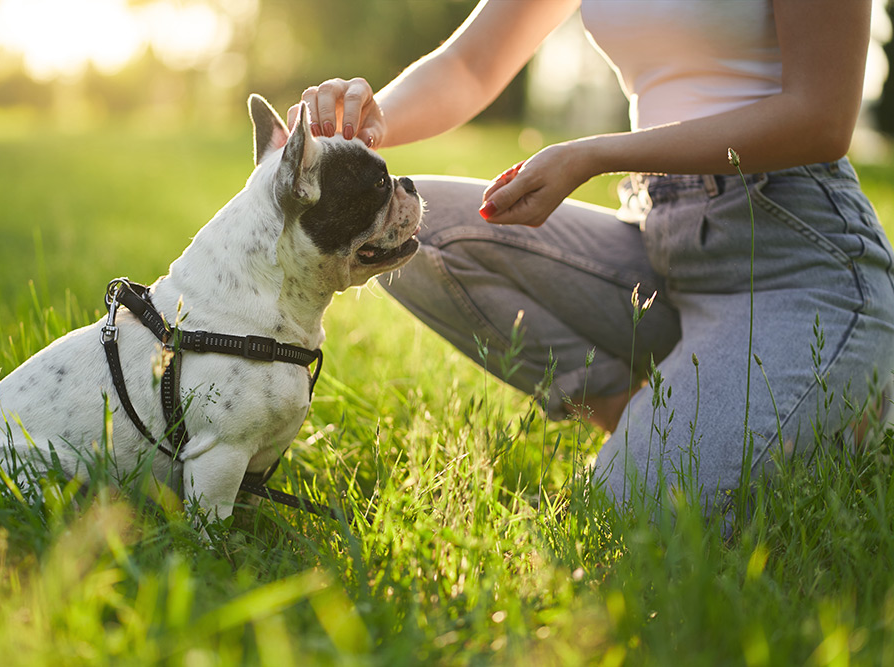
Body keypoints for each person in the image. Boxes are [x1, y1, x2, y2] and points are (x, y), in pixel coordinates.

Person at [289, 0, 894, 514]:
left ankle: (851, 407)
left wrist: (595, 154)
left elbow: (821, 116)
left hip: (797, 261)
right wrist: (363, 125)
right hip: (661, 238)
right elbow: (469, 67)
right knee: (412, 235)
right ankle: (640, 415)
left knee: (627, 516)